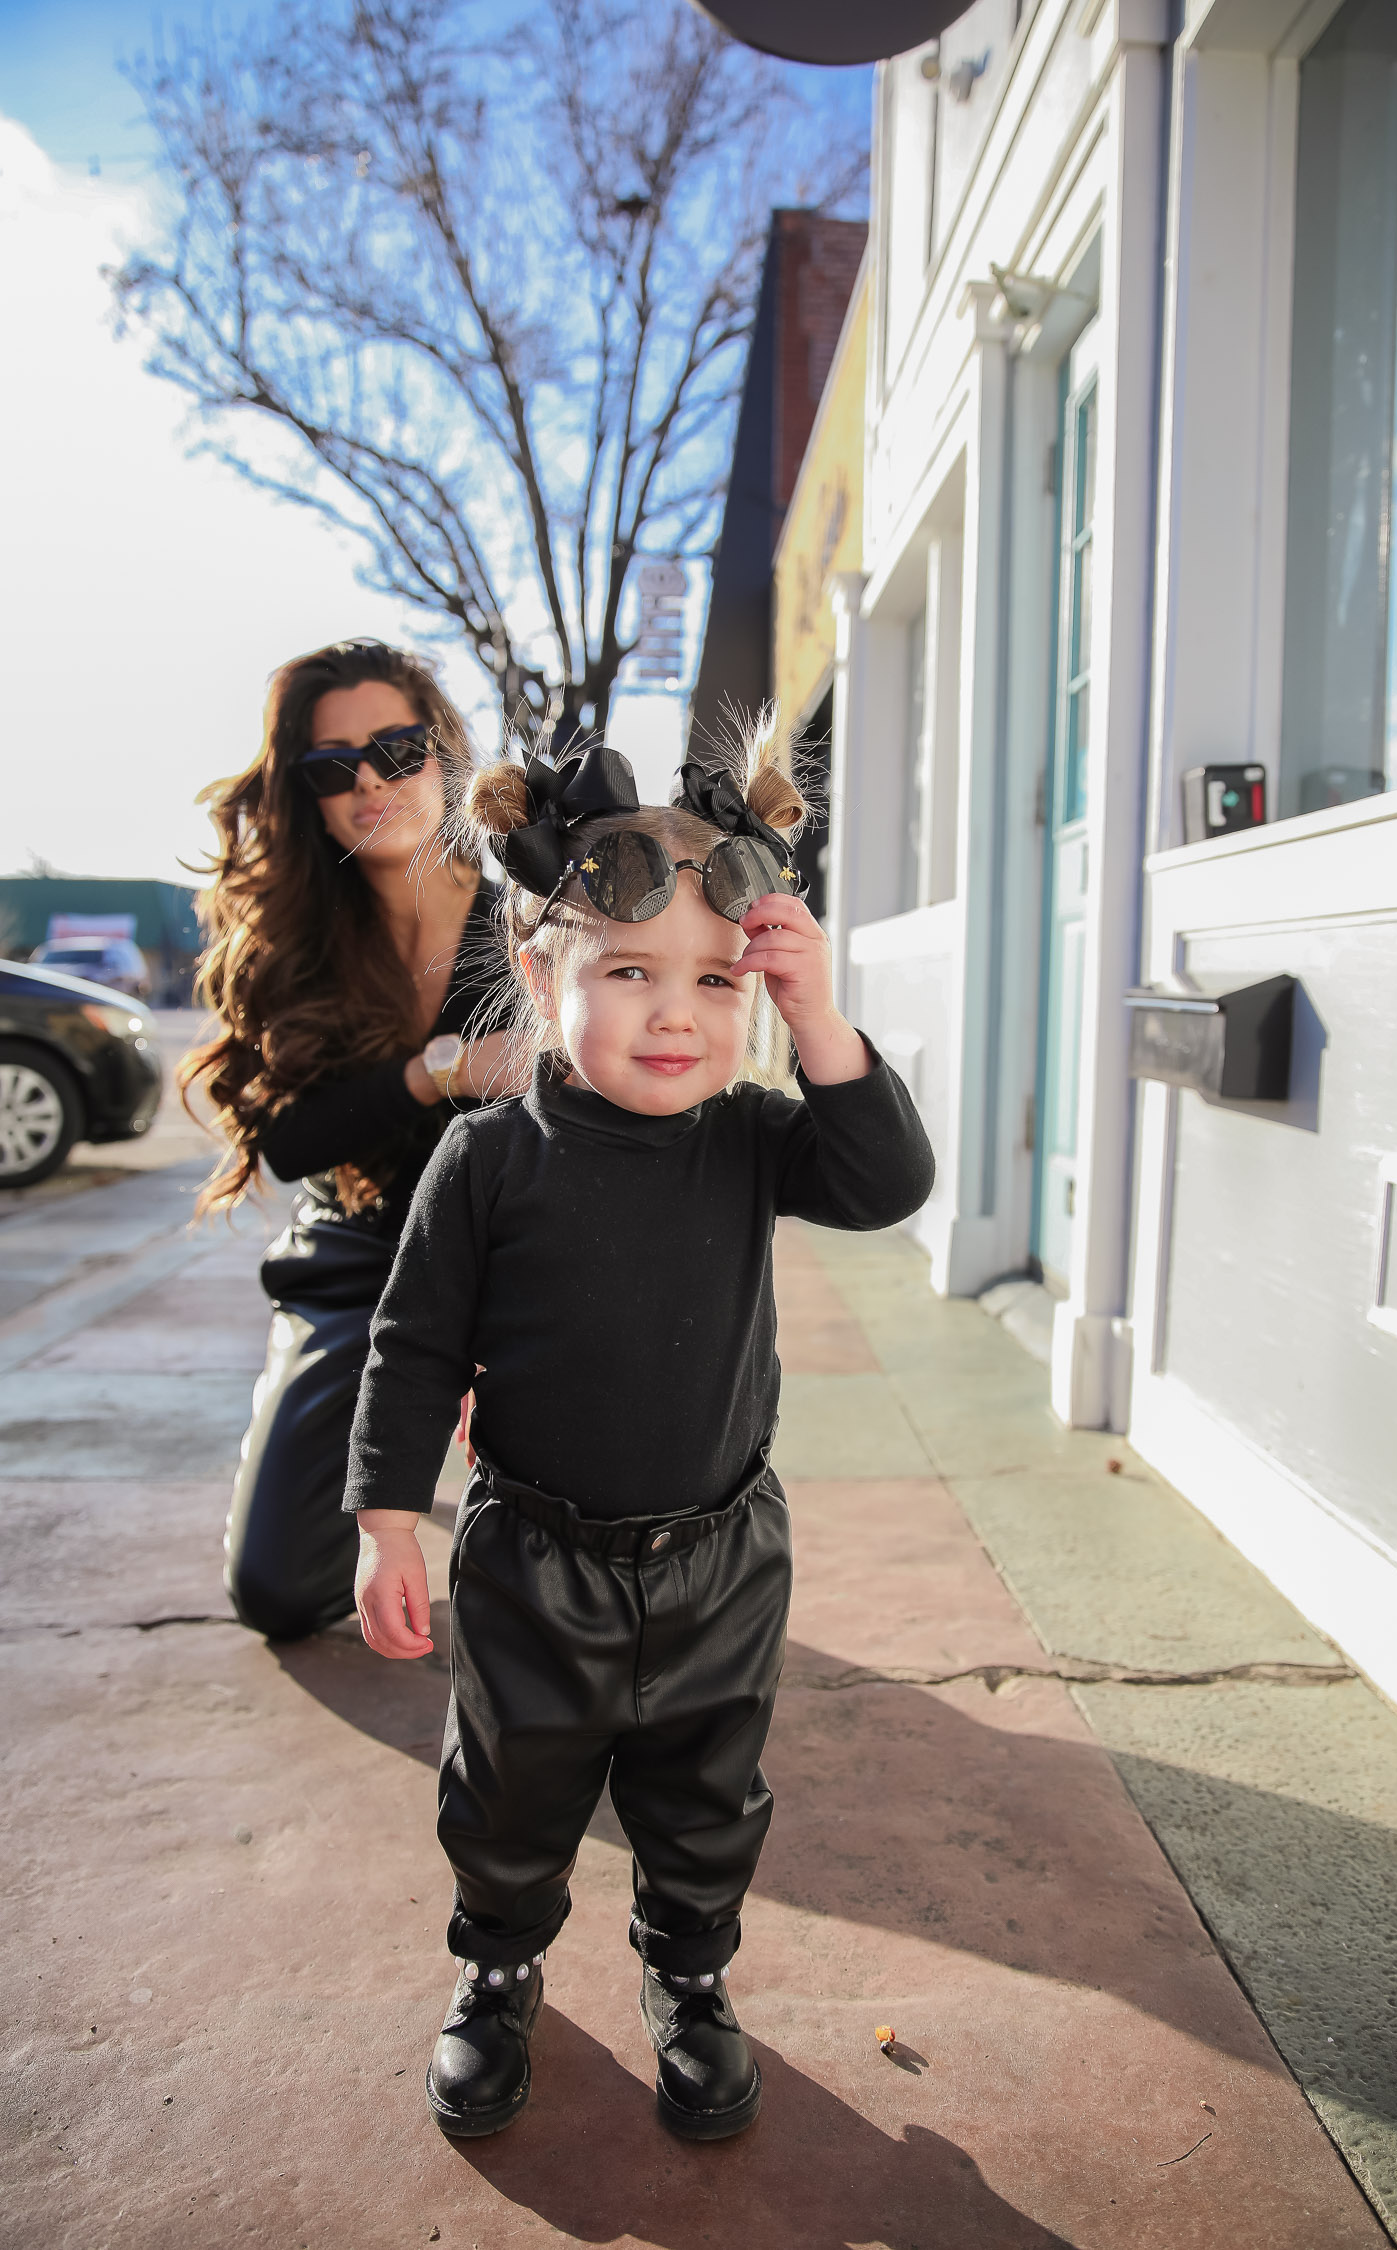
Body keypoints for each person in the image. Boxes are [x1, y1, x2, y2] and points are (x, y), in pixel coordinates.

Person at [345, 717, 935, 2143]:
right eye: (630, 973)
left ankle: (691, 1970)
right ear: (543, 977)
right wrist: (381, 1521)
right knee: (512, 1777)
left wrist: (815, 1018)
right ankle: (497, 1966)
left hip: (720, 1555)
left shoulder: (747, 1135)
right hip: (533, 1557)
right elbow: (414, 1340)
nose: (679, 1014)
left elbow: (888, 1180)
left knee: (705, 1789)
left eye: (716, 982)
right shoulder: (491, 1155)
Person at [183, 638, 525, 1642]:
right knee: (279, 1594)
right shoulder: (297, 942)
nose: (369, 778)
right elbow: (290, 1141)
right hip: (358, 1259)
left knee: (584, 1568)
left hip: (519, 1258)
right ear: (310, 796)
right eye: (334, 765)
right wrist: (443, 1067)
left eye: (396, 746)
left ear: (444, 752)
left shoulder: (533, 928)